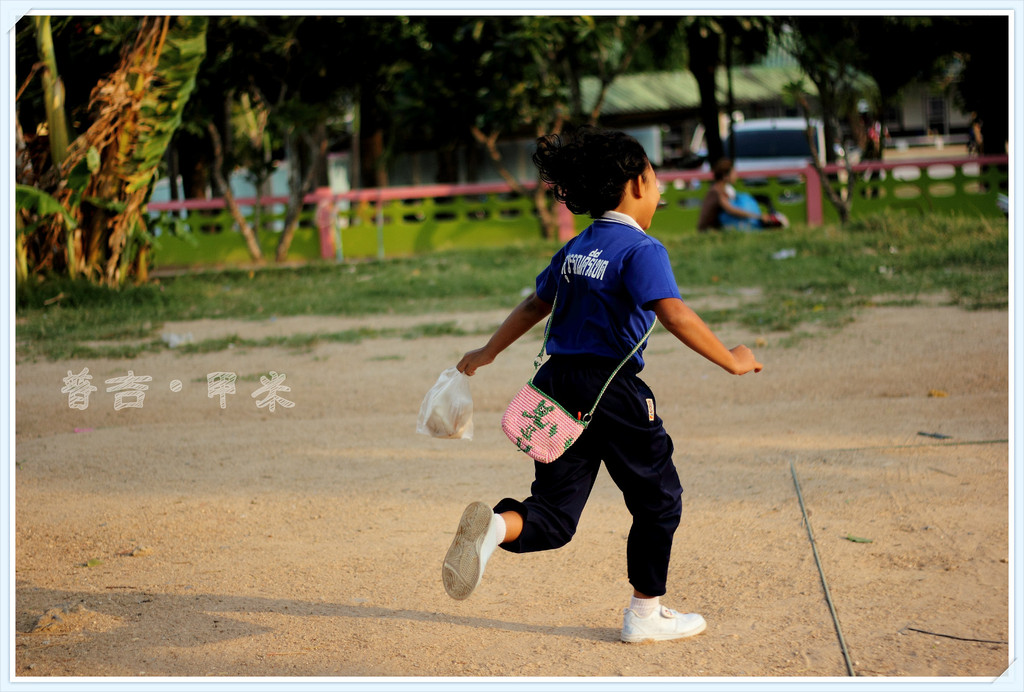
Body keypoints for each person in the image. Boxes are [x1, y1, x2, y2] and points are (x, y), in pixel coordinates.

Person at [442, 126, 762, 644]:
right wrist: (732, 359)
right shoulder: (642, 250)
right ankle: (645, 613)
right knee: (660, 500)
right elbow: (674, 313)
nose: (659, 191)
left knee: (552, 514)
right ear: (636, 184)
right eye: (656, 181)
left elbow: (533, 305)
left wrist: (487, 352)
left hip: (553, 388)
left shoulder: (575, 248)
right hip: (611, 390)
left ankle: (496, 528)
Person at [696, 158, 784, 232]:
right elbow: (731, 210)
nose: (736, 176)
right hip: (708, 231)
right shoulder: (717, 192)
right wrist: (758, 217)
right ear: (725, 176)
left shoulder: (722, 189)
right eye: (733, 173)